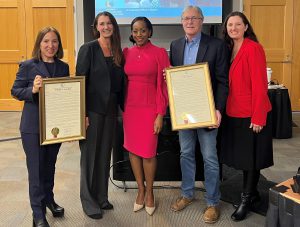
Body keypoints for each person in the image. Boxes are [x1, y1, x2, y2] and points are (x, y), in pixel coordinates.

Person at [169, 6, 229, 224]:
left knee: (210, 158)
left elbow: (222, 81)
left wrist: (218, 109)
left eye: (194, 18)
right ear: (181, 21)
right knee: (186, 154)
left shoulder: (216, 46)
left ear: (202, 21)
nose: (190, 21)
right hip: (184, 112)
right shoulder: (175, 46)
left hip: (207, 112)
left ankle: (212, 202)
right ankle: (187, 193)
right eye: (186, 18)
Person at [11, 27, 69, 227]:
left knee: (49, 167)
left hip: (55, 126)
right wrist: (33, 89)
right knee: (36, 170)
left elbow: (66, 95)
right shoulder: (28, 65)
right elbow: (16, 91)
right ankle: (38, 214)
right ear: (39, 44)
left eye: (54, 41)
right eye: (46, 41)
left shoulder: (63, 67)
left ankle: (49, 200)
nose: (50, 45)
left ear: (58, 45)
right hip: (32, 127)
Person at [220, 11, 273, 221]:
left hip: (252, 114)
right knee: (243, 158)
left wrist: (258, 116)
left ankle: (246, 199)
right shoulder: (229, 48)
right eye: (230, 25)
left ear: (245, 26)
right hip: (234, 112)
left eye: (237, 24)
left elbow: (260, 85)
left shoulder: (253, 48)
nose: (233, 28)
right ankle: (253, 192)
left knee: (251, 159)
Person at [76, 11, 125, 219]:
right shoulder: (88, 49)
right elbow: (80, 83)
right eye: (102, 24)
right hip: (93, 111)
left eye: (109, 23)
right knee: (90, 157)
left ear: (113, 26)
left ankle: (101, 196)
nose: (106, 27)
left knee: (105, 155)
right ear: (96, 27)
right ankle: (88, 201)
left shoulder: (116, 50)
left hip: (111, 111)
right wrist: (82, 114)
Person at [123, 16, 169, 216]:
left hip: (150, 109)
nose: (139, 34)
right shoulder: (126, 53)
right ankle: (140, 190)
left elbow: (164, 86)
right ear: (131, 33)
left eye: (143, 30)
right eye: (135, 30)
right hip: (130, 110)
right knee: (133, 151)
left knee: (148, 153)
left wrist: (160, 114)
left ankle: (150, 192)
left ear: (150, 32)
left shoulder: (159, 53)